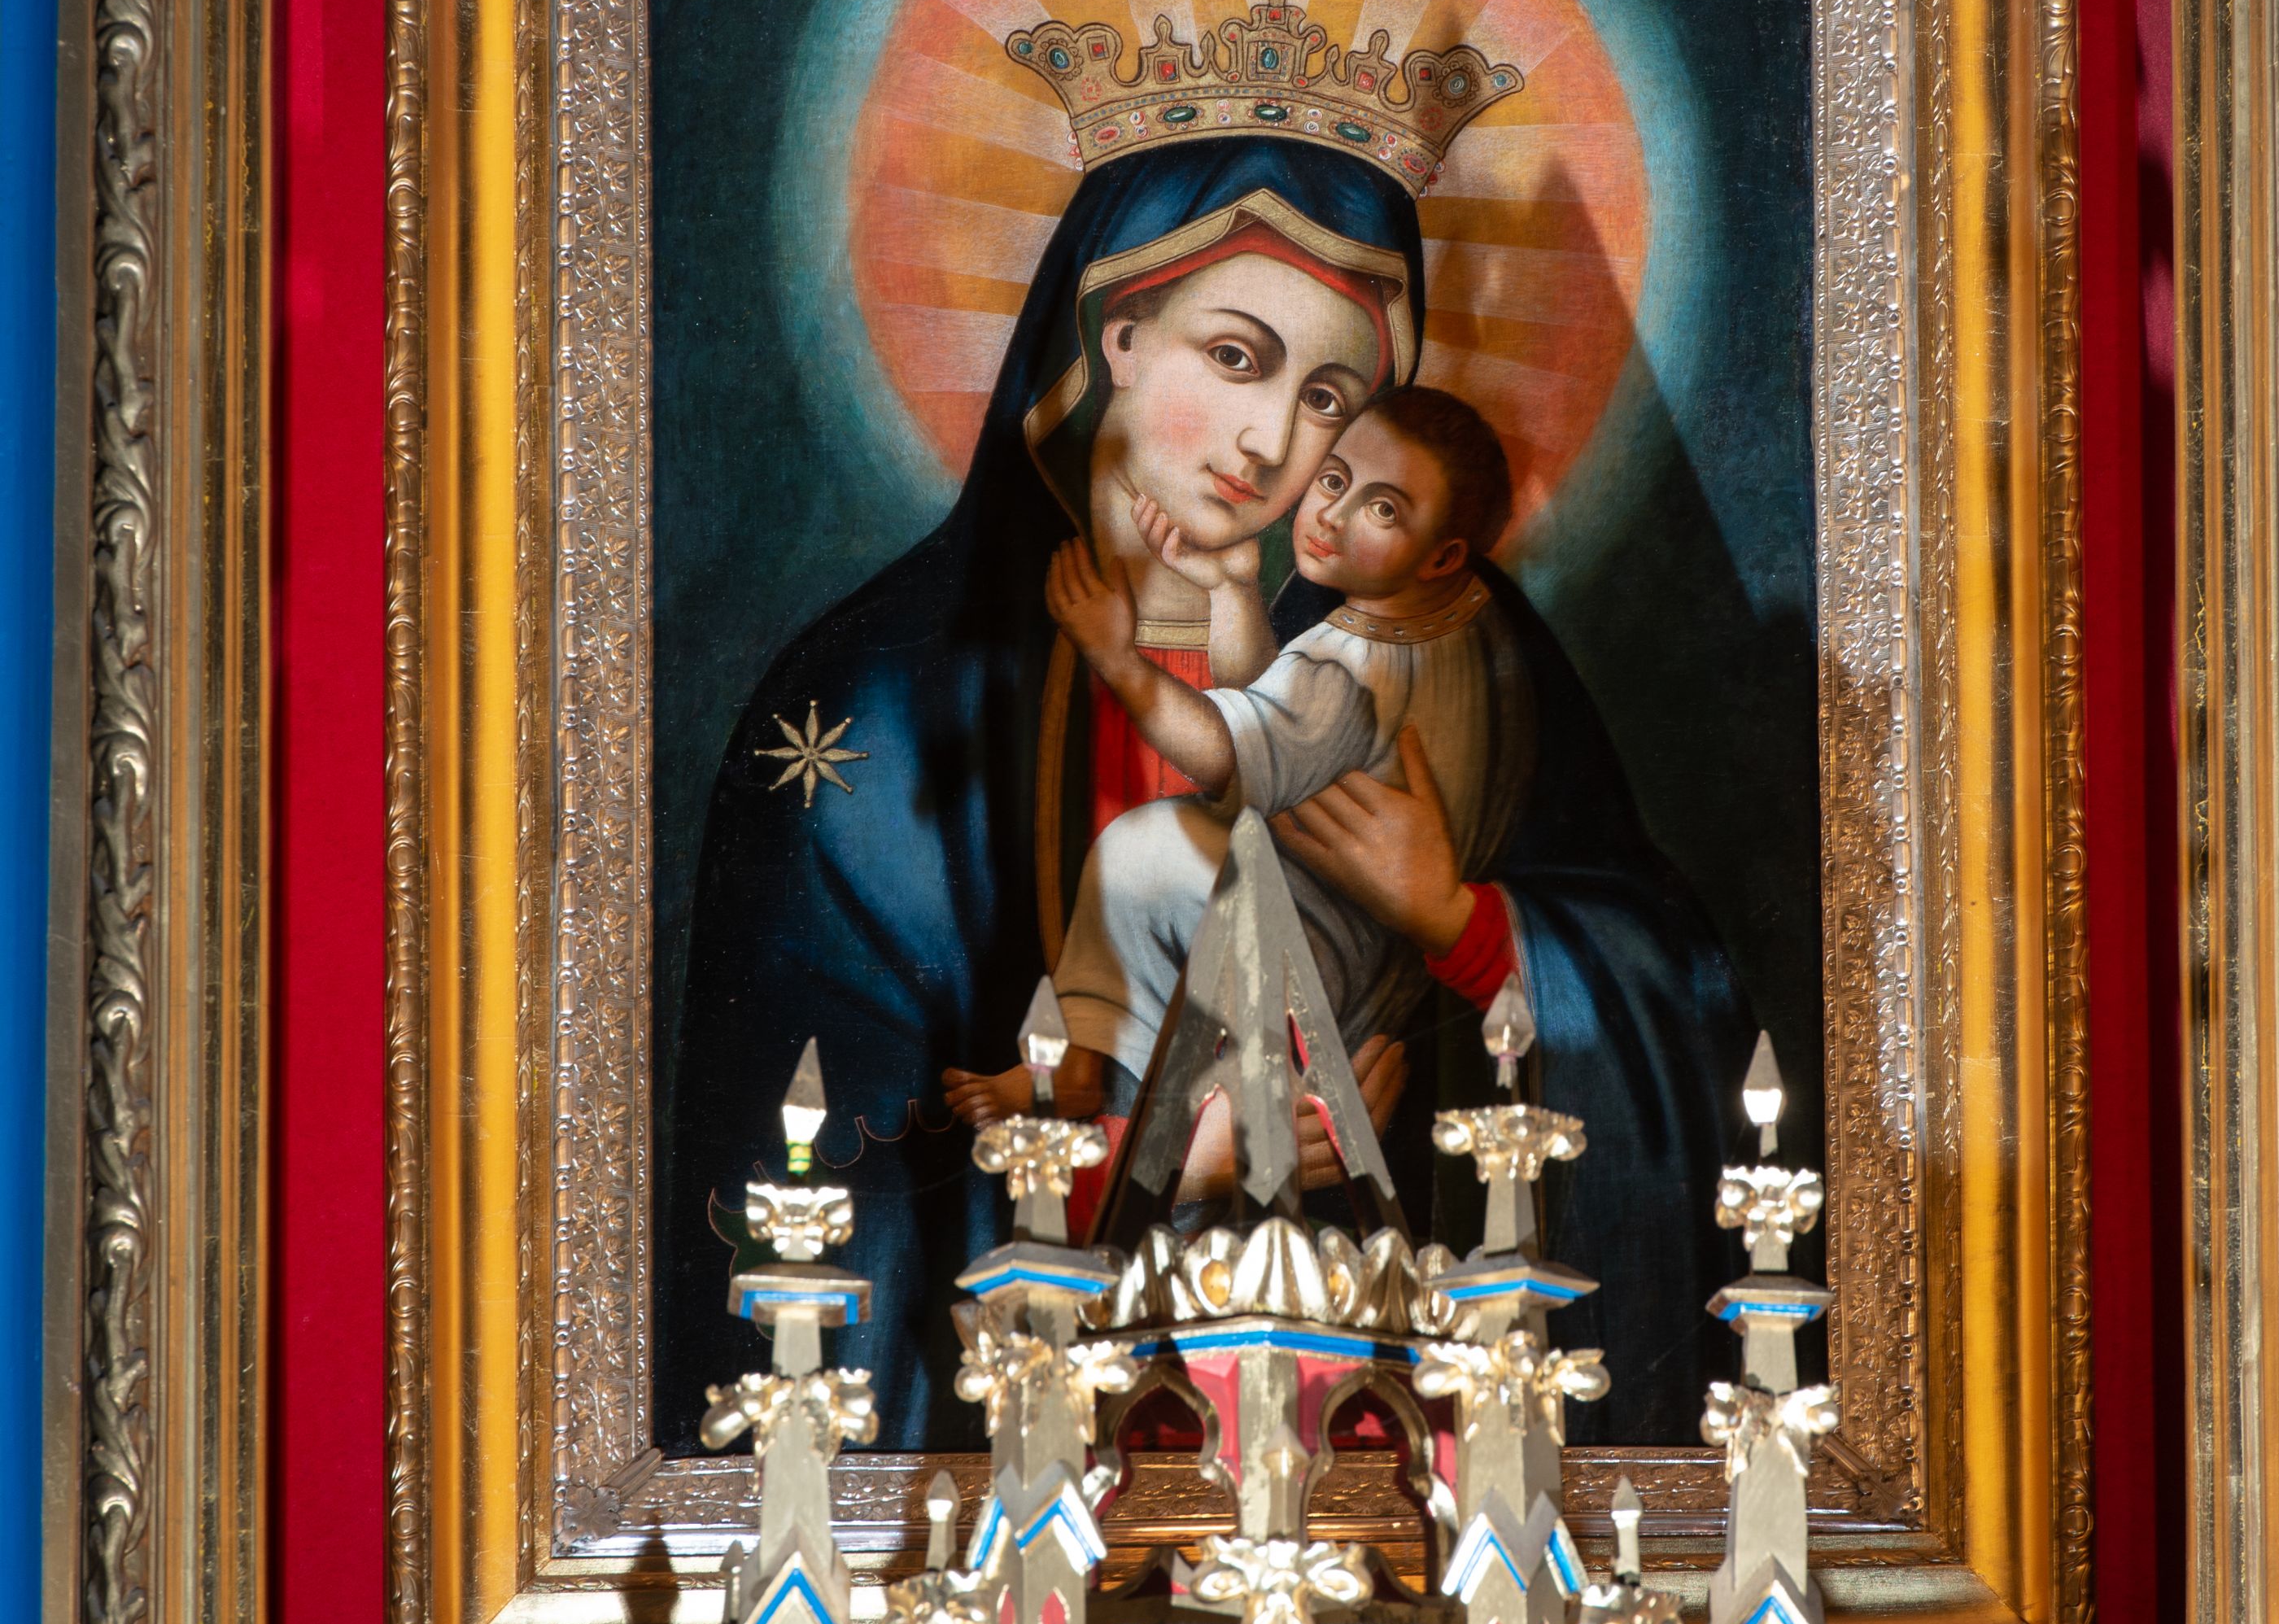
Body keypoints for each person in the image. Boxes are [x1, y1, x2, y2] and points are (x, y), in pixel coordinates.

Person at [665, 105, 1752, 1452]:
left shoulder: (1444, 644)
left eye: (1332, 399)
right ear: (1113, 334)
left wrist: (1464, 926)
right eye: (1236, 356)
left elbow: (1670, 998)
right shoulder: (877, 703)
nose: (1272, 440)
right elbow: (810, 1159)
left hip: (1373, 1427)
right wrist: (1163, 1156)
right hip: (1021, 1455)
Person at [945, 384, 1532, 1129]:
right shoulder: (1465, 633)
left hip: (1307, 957)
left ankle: (1090, 1066)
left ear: (1442, 555)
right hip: (1362, 953)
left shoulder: (1350, 662)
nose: (1334, 515)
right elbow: (1281, 724)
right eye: (1334, 479)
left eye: (1383, 511)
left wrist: (1118, 660)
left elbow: (1227, 750)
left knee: (1140, 850)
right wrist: (1232, 588)